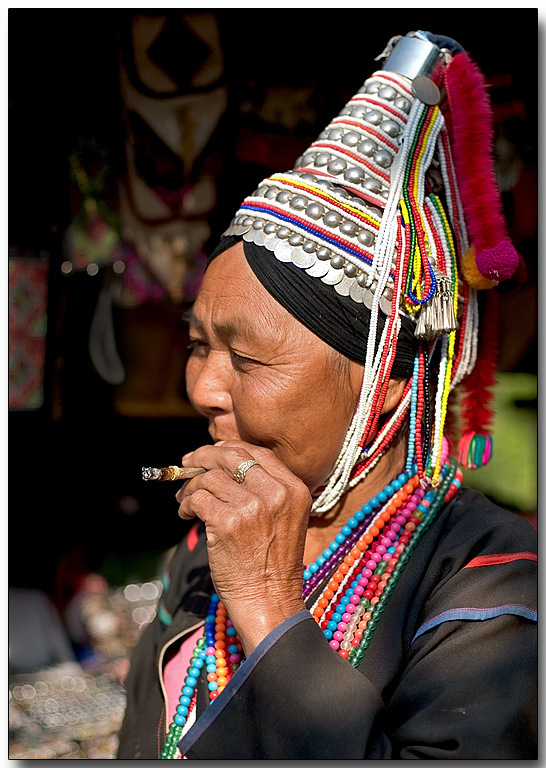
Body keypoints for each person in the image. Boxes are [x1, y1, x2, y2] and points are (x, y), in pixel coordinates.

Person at [116, 30, 537, 759]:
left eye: (244, 357)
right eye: (196, 344)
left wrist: (267, 604)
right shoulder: (202, 546)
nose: (202, 388)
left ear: (386, 382)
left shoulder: (491, 589)